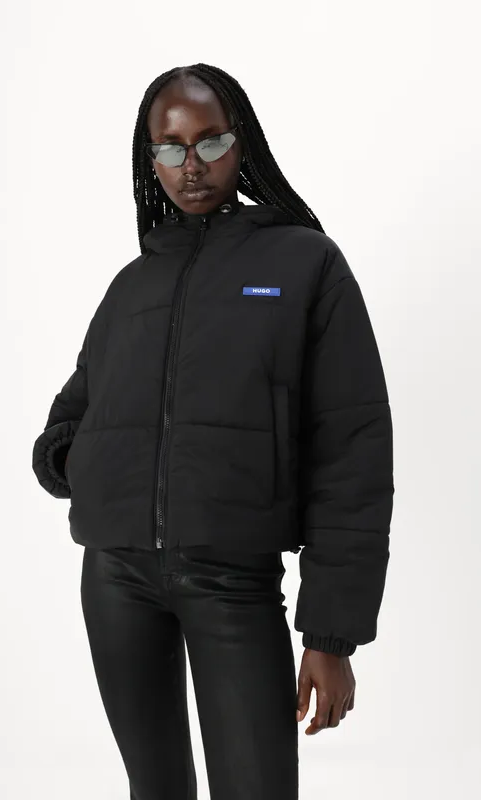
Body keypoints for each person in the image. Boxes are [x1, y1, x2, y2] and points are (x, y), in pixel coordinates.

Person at [32, 62, 394, 799]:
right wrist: (88, 467)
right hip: (116, 578)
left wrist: (330, 635)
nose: (190, 165)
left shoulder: (306, 264)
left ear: (241, 141)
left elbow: (353, 450)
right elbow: (71, 416)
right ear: (150, 158)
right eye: (169, 148)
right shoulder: (134, 283)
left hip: (234, 581)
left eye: (209, 142)